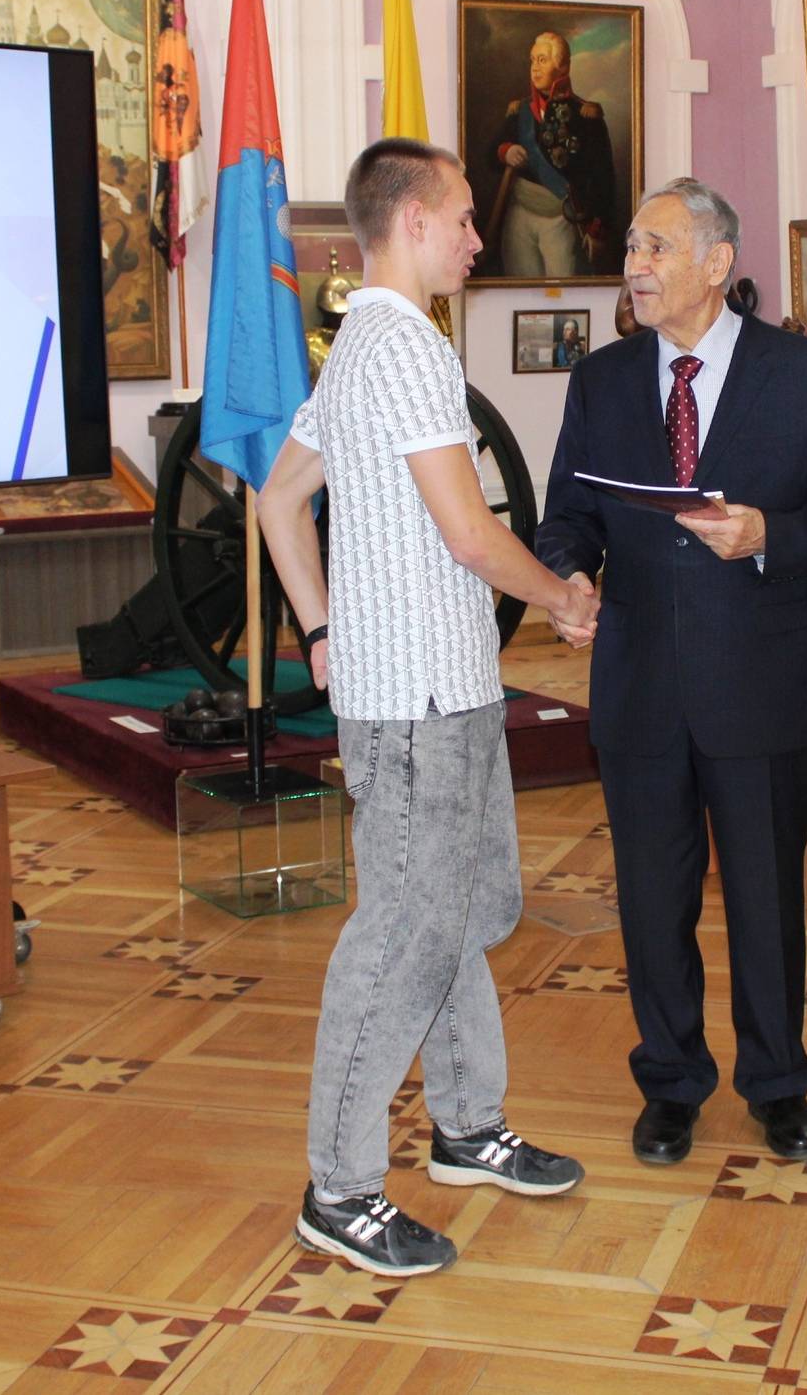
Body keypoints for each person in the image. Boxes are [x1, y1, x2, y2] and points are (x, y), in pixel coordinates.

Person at [257, 136, 602, 1278]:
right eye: (460, 217)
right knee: (403, 934)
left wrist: (318, 631)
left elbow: (278, 503)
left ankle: (465, 1124)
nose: (475, 235)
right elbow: (469, 532)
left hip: (444, 688)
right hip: (413, 706)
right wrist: (562, 597)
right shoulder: (400, 346)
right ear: (410, 222)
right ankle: (340, 1189)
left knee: (464, 908)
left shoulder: (366, 341)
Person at [535, 177, 807, 1167]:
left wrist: (772, 533)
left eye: (655, 248)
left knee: (766, 899)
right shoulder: (601, 380)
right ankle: (671, 1081)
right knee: (653, 899)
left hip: (760, 684)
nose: (634, 267)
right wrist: (569, 574)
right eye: (631, 248)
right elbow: (568, 513)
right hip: (639, 683)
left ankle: (778, 1084)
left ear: (716, 263)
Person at [487, 29, 620, 279]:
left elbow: (603, 178)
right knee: (518, 287)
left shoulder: (585, 115)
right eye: (532, 60)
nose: (535, 68)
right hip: (520, 216)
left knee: (563, 289)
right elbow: (490, 156)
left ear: (562, 67)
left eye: (543, 60)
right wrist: (506, 151)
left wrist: (597, 229)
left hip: (561, 220)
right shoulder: (519, 112)